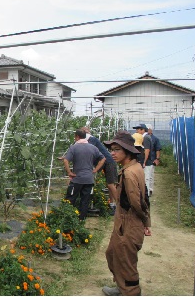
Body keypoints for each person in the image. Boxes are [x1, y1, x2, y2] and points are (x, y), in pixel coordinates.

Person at [102, 131, 151, 296]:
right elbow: (145, 197)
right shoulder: (134, 167)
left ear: (128, 152)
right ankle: (121, 286)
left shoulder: (129, 174)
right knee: (113, 253)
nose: (112, 153)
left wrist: (144, 221)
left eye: (116, 150)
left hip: (128, 223)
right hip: (125, 221)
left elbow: (137, 202)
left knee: (126, 260)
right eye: (111, 149)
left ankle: (130, 291)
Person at [61, 129, 106, 220]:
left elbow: (66, 160)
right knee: (85, 201)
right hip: (89, 179)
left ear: (77, 137)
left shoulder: (74, 147)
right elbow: (103, 159)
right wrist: (95, 169)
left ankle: (67, 219)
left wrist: (69, 172)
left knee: (70, 199)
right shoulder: (93, 147)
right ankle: (81, 219)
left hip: (77, 178)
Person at [80, 127, 118, 213]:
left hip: (108, 161)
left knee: (111, 184)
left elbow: (89, 151)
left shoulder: (91, 139)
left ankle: (119, 206)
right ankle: (112, 204)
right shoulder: (89, 139)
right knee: (109, 184)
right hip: (105, 161)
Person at [132, 123, 153, 196]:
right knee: (145, 177)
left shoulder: (146, 137)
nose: (136, 131)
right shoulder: (145, 137)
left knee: (146, 178)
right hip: (146, 161)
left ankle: (145, 194)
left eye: (138, 129)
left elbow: (147, 150)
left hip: (146, 162)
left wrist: (144, 161)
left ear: (143, 130)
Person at [146, 124, 162, 196]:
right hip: (146, 160)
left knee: (149, 176)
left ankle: (149, 190)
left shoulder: (155, 139)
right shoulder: (144, 137)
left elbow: (157, 149)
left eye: (146, 129)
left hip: (151, 159)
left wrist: (157, 159)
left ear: (150, 129)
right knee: (148, 176)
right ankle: (148, 189)